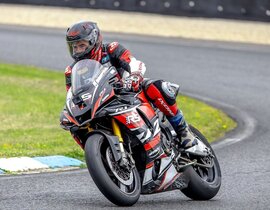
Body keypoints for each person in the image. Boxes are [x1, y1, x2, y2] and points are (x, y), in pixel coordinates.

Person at [60, 21, 198, 150]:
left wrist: (135, 76)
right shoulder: (71, 71)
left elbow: (133, 62)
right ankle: (100, 153)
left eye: (81, 45)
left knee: (156, 86)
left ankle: (183, 131)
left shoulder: (111, 49)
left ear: (93, 41)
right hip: (101, 104)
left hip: (128, 93)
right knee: (74, 125)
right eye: (74, 46)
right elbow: (72, 94)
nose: (77, 50)